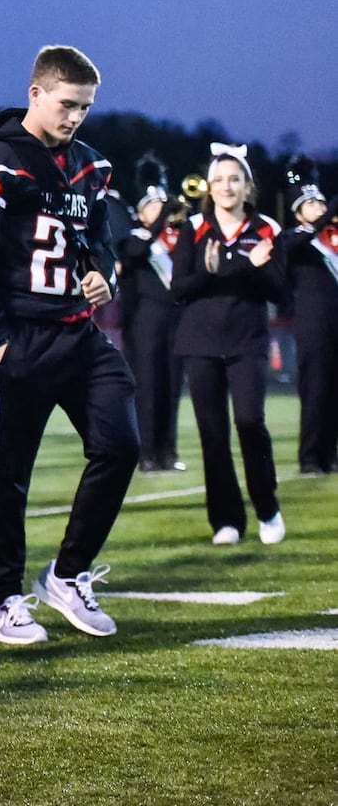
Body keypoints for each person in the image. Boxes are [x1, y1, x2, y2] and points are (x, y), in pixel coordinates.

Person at [0, 45, 136, 646]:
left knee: (121, 446)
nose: (75, 117)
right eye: (66, 104)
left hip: (80, 334)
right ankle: (5, 599)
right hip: (23, 335)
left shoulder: (91, 166)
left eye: (84, 107)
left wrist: (104, 271)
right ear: (36, 94)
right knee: (10, 475)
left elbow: (102, 242)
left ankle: (68, 573)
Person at [171, 145, 285, 545]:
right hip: (199, 342)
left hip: (247, 341)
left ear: (247, 185)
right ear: (209, 187)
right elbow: (179, 289)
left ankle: (267, 508)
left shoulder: (267, 228)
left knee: (250, 422)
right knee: (213, 434)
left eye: (234, 179)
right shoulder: (194, 228)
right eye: (218, 180)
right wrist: (212, 270)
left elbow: (279, 289)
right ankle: (227, 520)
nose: (226, 187)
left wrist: (253, 269)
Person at [117, 156, 185, 474]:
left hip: (176, 321)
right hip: (145, 322)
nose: (161, 210)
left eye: (163, 204)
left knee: (171, 386)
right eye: (154, 205)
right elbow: (134, 253)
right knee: (147, 387)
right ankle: (145, 453)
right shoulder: (134, 236)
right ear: (142, 211)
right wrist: (159, 224)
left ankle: (168, 451)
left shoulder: (179, 236)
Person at [275, 158, 337, 477]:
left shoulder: (332, 239)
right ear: (299, 212)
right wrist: (319, 222)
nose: (319, 207)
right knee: (315, 388)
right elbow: (284, 248)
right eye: (311, 203)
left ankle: (331, 452)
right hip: (314, 323)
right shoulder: (294, 238)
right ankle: (311, 456)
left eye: (321, 202)